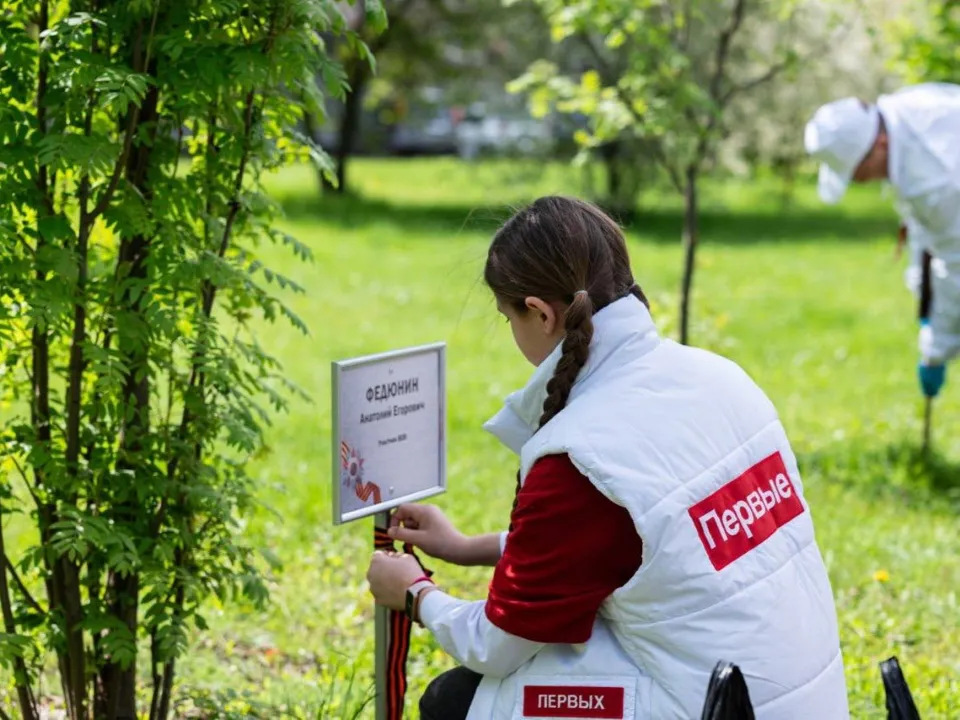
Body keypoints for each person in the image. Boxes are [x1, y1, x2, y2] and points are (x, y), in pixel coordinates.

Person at [365, 196, 849, 719]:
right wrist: (468, 547)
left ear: (541, 313)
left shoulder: (582, 455)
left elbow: (496, 646)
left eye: (508, 318)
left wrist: (415, 594)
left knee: (456, 698)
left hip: (713, 703)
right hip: (798, 697)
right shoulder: (717, 375)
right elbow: (637, 543)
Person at [803, 82, 960, 399]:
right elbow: (924, 226)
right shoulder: (907, 109)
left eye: (858, 169)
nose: (859, 180)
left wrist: (936, 348)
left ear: (881, 145)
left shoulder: (938, 179)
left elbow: (956, 267)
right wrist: (922, 286)